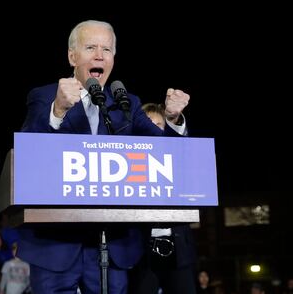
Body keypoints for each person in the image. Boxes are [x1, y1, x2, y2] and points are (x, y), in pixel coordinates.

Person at [18, 20, 190, 294]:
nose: (99, 55)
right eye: (90, 48)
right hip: (56, 243)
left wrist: (172, 119)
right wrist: (58, 111)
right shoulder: (44, 96)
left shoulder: (127, 103)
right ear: (72, 56)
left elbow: (163, 154)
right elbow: (27, 153)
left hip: (114, 242)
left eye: (106, 49)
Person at [128, 103, 197, 294]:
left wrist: (175, 119)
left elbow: (184, 144)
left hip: (179, 253)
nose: (153, 129)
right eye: (148, 123)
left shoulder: (178, 162)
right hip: (140, 253)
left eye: (159, 124)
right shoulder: (125, 166)